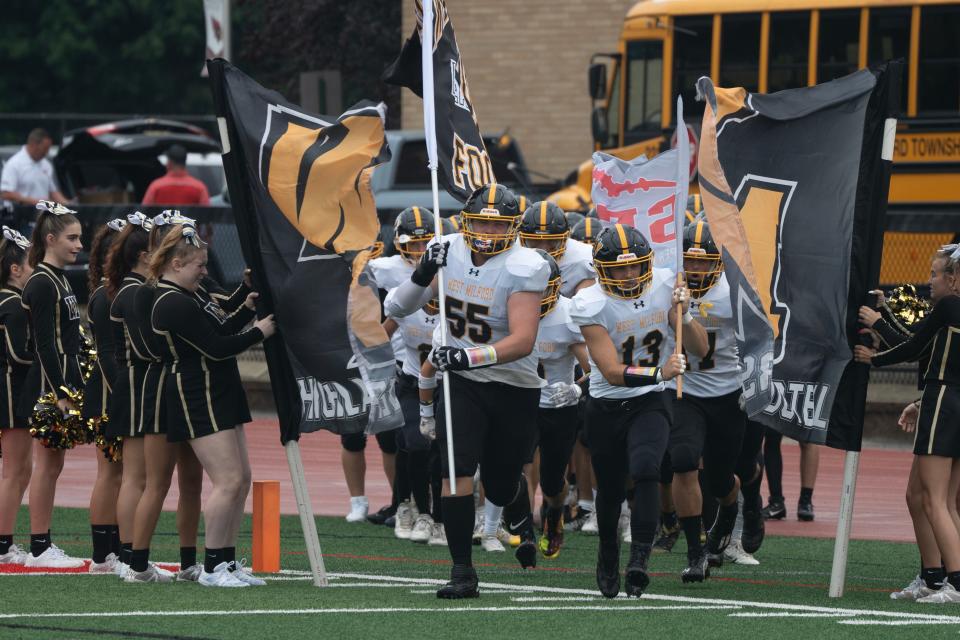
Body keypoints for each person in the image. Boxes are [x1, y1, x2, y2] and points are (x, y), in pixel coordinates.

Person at [385, 182, 549, 599]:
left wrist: (467, 357)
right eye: (479, 223)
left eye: (496, 226)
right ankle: (462, 571)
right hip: (462, 384)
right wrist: (423, 273)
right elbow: (396, 309)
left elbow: (523, 340)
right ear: (466, 221)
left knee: (497, 484)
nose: (487, 233)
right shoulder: (447, 249)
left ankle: (514, 507)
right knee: (455, 473)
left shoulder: (525, 265)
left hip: (512, 384)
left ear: (513, 227)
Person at [569, 223, 704, 598]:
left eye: (634, 266)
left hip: (652, 399)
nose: (629, 274)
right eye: (619, 268)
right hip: (607, 403)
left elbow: (700, 348)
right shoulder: (590, 302)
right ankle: (609, 550)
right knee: (610, 491)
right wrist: (660, 371)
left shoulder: (665, 284)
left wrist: (686, 314)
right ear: (601, 269)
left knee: (647, 469)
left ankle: (639, 559)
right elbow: (611, 373)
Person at [150, 224, 274, 587]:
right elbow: (216, 347)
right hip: (197, 393)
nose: (205, 270)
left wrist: (247, 308)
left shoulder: (193, 293)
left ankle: (228, 561)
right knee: (228, 480)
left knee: (242, 480)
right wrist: (259, 331)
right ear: (176, 263)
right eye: (198, 265)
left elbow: (219, 329)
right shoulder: (171, 301)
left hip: (220, 388)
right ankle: (212, 567)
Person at [855, 246, 960, 603]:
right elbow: (931, 350)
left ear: (954, 278)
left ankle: (955, 583)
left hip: (945, 403)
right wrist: (919, 401)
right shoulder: (948, 312)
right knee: (920, 497)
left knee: (936, 501)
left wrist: (875, 356)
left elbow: (915, 348)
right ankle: (933, 576)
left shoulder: (949, 306)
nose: (930, 281)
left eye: (935, 274)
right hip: (945, 400)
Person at [666, 220, 757, 581]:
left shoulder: (735, 289)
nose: (698, 268)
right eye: (692, 260)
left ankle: (729, 507)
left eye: (705, 261)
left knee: (721, 479)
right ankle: (694, 551)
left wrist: (754, 385)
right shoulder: (668, 285)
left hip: (727, 393)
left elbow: (759, 341)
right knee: (684, 461)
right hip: (684, 391)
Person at [17, 200, 84, 568]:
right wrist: (59, 391)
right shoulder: (43, 281)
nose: (78, 245)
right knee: (47, 463)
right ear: (50, 238)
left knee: (52, 464)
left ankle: (42, 544)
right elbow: (44, 343)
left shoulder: (58, 278)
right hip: (48, 383)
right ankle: (40, 548)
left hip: (58, 379)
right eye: (72, 238)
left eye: (79, 238)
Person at [527, 249, 590, 559]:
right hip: (518, 402)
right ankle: (523, 529)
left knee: (553, 482)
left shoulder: (569, 313)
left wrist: (577, 391)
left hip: (557, 405)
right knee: (515, 465)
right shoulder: (502, 308)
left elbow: (595, 370)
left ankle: (554, 513)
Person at [82, 219, 127, 573]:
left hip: (113, 393)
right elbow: (108, 352)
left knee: (119, 473)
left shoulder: (119, 290)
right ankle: (102, 554)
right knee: (110, 472)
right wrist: (122, 399)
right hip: (107, 395)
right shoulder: (104, 294)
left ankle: (114, 549)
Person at [0, 227, 35, 564]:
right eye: (31, 263)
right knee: (14, 470)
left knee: (22, 469)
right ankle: (2, 543)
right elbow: (19, 354)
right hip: (11, 390)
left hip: (17, 390)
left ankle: (5, 540)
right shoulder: (10, 303)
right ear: (15, 269)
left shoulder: (13, 300)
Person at [1, 129, 68, 208]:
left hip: (42, 216)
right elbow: (5, 194)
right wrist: (37, 202)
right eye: (45, 149)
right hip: (20, 216)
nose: (47, 153)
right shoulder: (14, 164)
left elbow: (53, 192)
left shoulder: (46, 165)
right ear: (33, 144)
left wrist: (69, 205)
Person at [141, 145, 210, 206]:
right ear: (184, 162)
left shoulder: (156, 186)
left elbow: (144, 213)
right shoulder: (199, 187)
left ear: (169, 162)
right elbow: (207, 215)